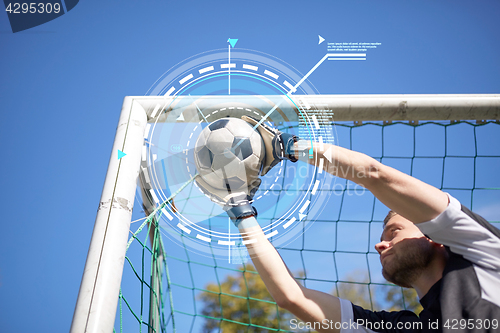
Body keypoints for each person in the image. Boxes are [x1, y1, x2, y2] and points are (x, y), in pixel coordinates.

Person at [196, 117, 500, 333]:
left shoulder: (485, 252)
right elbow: (291, 297)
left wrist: (285, 146)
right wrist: (239, 209)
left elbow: (372, 174)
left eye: (394, 232)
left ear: (434, 236)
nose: (381, 244)